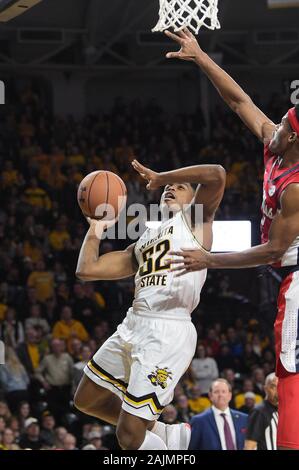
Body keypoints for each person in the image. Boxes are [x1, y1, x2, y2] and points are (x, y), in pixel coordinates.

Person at [165, 27, 299, 450]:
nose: (272, 122)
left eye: (280, 122)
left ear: (293, 136)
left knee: (289, 369)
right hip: (287, 272)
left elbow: (275, 249)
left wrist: (210, 260)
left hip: (295, 275)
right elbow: (238, 100)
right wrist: (201, 56)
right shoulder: (276, 146)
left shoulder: (296, 186)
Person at [74, 160, 226, 450]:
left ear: (193, 198)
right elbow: (87, 269)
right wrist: (96, 226)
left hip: (168, 328)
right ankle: (163, 432)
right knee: (86, 399)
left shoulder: (197, 220)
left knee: (128, 437)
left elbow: (216, 174)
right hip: (134, 322)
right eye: (167, 187)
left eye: (179, 186)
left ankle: (156, 441)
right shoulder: (145, 238)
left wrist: (162, 176)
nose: (170, 187)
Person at [189, 378, 248, 450]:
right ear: (210, 395)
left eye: (223, 392)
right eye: (216, 392)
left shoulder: (244, 418)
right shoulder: (199, 421)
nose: (220, 395)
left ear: (230, 395)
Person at [244, 373, 278, 450]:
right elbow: (249, 446)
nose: (278, 390)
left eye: (280, 386)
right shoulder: (259, 411)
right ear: (265, 389)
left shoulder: (282, 410)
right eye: (273, 387)